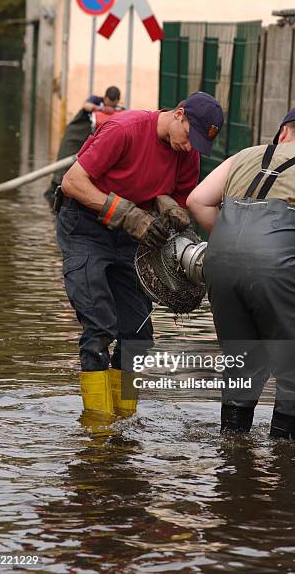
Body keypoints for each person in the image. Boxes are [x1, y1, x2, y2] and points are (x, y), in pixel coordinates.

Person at [57, 91, 224, 416]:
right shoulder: (125, 129)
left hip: (134, 235)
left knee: (137, 335)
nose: (190, 148)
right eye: (190, 137)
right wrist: (129, 215)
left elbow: (175, 195)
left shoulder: (186, 154)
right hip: (85, 227)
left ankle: (123, 421)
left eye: (199, 145)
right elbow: (72, 182)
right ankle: (98, 430)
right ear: (178, 114)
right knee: (100, 326)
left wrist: (170, 209)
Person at [186, 106, 295, 439]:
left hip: (219, 268)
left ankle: (232, 445)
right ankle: (286, 459)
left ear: (282, 133)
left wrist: (233, 247)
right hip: (276, 272)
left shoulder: (244, 155)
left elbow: (197, 200)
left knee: (241, 362)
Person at [44, 86, 123, 205]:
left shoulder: (120, 110)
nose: (110, 107)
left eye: (113, 105)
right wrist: (101, 109)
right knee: (63, 171)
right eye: (109, 103)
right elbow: (87, 106)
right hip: (76, 138)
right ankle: (55, 192)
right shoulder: (95, 100)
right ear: (105, 98)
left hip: (95, 144)